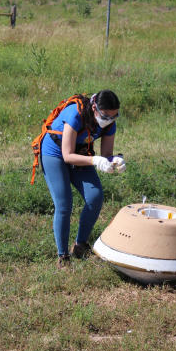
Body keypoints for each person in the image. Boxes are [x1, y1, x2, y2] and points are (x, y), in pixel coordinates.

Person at [37, 90, 125, 269]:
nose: (109, 120)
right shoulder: (75, 114)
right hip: (55, 152)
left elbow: (106, 154)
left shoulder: (109, 123)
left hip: (80, 153)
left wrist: (116, 159)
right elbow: (67, 155)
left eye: (114, 116)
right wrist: (95, 160)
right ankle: (63, 256)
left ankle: (80, 245)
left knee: (95, 196)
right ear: (94, 108)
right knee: (64, 205)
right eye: (106, 116)